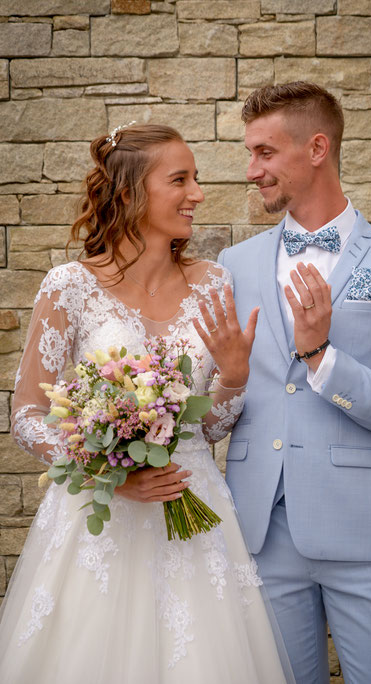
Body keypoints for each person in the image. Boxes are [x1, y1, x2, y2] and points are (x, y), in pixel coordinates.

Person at [0, 123, 295, 684]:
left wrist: (233, 378)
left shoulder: (215, 285)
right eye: (180, 179)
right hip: (100, 518)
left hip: (193, 505)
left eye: (197, 179)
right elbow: (27, 415)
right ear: (130, 193)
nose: (198, 194)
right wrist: (105, 470)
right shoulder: (70, 287)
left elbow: (210, 427)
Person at [219, 82, 371, 684]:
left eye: (265, 153)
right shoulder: (233, 269)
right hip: (260, 531)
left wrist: (322, 357)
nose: (251, 170)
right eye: (250, 153)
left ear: (317, 148)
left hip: (360, 536)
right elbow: (224, 393)